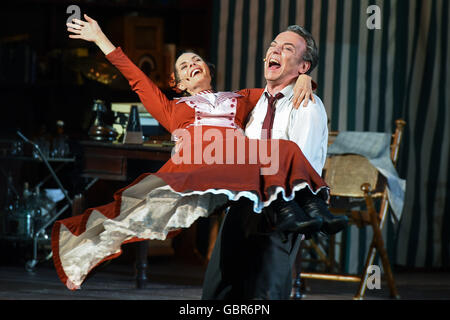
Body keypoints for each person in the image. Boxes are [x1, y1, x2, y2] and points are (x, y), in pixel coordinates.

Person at [52, 15, 330, 290]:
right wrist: (100, 38)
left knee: (283, 150)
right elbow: (136, 79)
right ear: (179, 83)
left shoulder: (242, 98)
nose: (191, 65)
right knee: (129, 216)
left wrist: (306, 79)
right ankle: (84, 251)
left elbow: (281, 85)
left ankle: (307, 207)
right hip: (197, 166)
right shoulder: (173, 108)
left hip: (232, 167)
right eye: (183, 66)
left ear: (209, 70)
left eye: (196, 60)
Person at [202, 25, 348, 300]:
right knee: (218, 291)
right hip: (243, 204)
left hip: (281, 208)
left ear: (303, 66)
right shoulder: (254, 103)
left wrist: (306, 82)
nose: (275, 50)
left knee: (265, 294)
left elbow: (300, 166)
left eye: (288, 48)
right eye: (273, 45)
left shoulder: (306, 105)